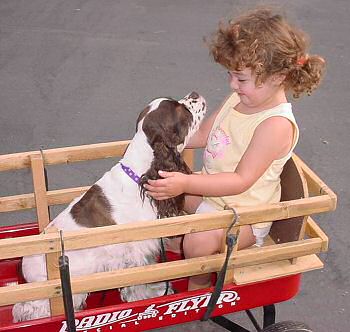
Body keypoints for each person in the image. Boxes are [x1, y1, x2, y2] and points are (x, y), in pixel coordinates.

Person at [145, 8, 326, 290]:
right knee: (160, 195)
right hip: (214, 199)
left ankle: (199, 283)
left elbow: (241, 180)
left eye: (241, 79)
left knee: (197, 239)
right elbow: (204, 134)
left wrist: (186, 181)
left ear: (277, 76)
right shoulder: (237, 99)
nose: (232, 84)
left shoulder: (275, 125)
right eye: (231, 76)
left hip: (245, 215)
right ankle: (179, 247)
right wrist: (167, 137)